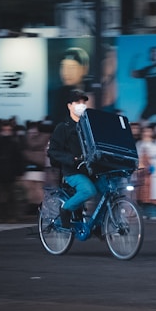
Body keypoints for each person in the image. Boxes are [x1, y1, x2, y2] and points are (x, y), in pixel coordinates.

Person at [47, 89, 99, 229]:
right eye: (77, 102)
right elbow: (53, 151)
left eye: (83, 102)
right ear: (69, 105)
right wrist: (72, 158)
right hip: (72, 172)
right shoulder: (63, 128)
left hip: (91, 170)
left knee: (108, 188)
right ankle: (66, 208)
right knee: (88, 190)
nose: (81, 105)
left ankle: (99, 225)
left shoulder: (89, 126)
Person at [0, 121, 25, 222]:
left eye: (8, 130)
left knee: (11, 196)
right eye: (5, 130)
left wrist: (19, 173)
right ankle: (1, 215)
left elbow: (18, 159)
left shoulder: (13, 143)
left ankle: (11, 216)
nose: (6, 132)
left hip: (10, 173)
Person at [49, 47, 93, 125]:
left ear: (84, 69)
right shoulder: (59, 94)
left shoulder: (93, 92)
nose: (66, 72)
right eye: (63, 67)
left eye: (72, 67)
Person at [135, 124, 156, 220]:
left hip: (155, 170)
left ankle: (154, 212)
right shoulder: (139, 144)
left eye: (149, 131)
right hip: (143, 172)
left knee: (155, 194)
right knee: (143, 193)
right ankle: (145, 212)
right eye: (145, 131)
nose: (147, 133)